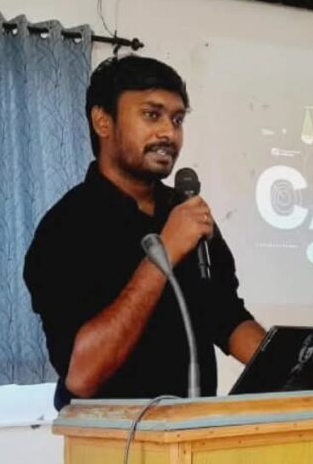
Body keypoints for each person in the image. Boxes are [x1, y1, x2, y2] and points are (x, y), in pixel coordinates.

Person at [23, 55, 266, 409]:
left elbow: (225, 316)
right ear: (103, 121)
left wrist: (304, 376)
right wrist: (163, 254)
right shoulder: (65, 228)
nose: (169, 133)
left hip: (194, 429)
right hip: (114, 437)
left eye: (177, 119)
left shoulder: (184, 212)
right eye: (152, 115)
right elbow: (82, 375)